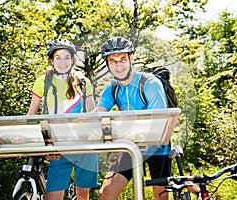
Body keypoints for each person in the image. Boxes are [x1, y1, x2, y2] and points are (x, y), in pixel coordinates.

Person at [94, 36, 171, 200]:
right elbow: (97, 114)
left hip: (156, 147)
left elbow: (160, 120)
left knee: (160, 196)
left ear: (131, 59)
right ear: (108, 65)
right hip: (129, 146)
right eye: (113, 61)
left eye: (123, 59)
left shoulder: (150, 83)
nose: (118, 64)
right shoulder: (112, 88)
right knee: (106, 194)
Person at [27, 38, 98, 200]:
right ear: (51, 60)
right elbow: (31, 116)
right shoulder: (42, 82)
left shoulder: (83, 83)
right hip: (58, 148)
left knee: (82, 195)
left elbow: (92, 115)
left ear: (73, 60)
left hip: (84, 146)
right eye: (58, 57)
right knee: (52, 196)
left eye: (67, 57)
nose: (62, 62)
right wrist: (41, 146)